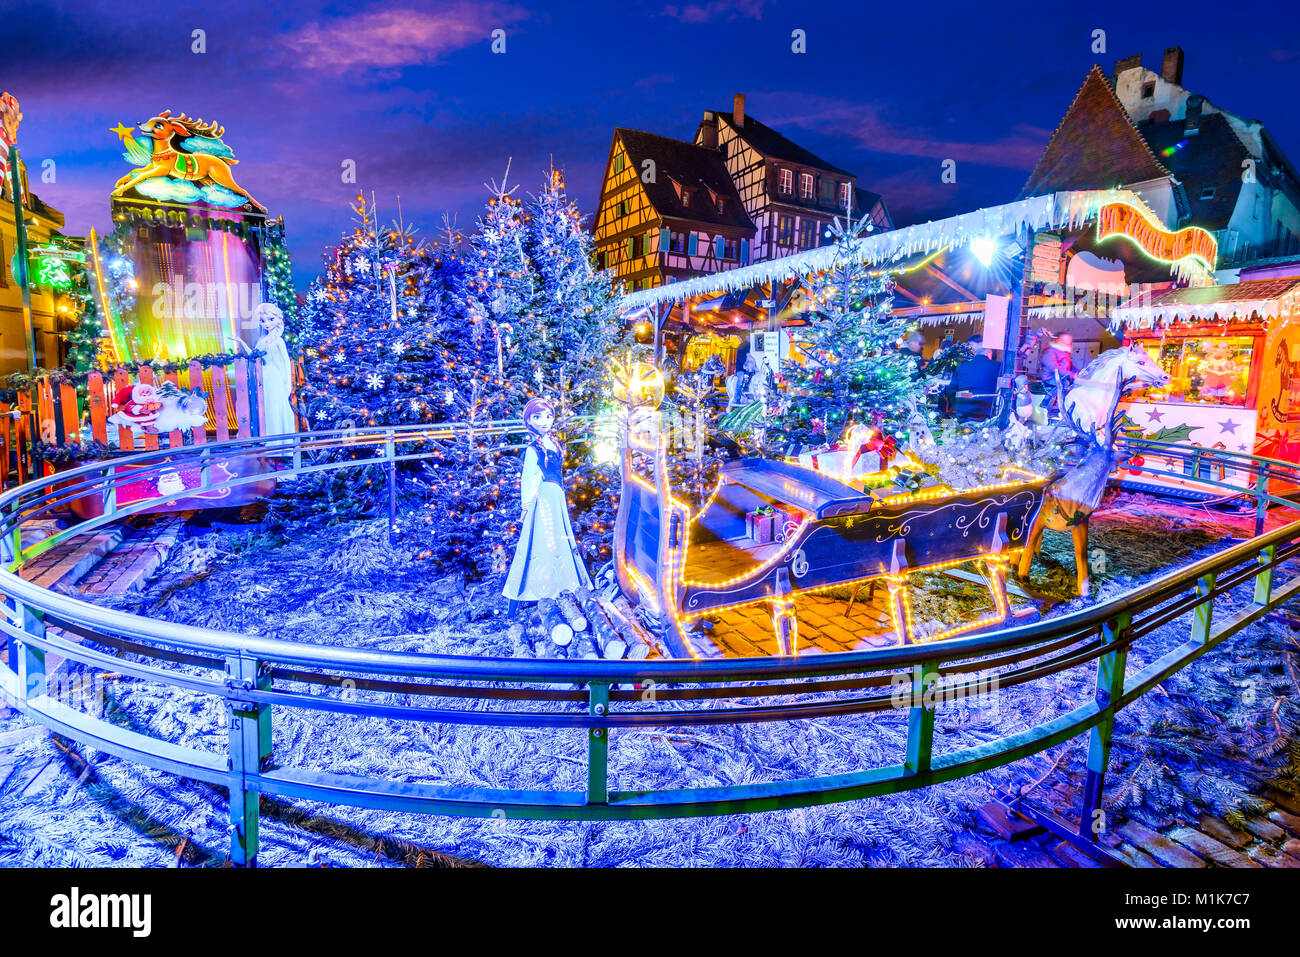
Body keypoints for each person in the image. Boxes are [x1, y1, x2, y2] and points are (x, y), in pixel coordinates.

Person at [503, 397, 592, 617]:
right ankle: (530, 590)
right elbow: (529, 477)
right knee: (539, 542)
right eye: (537, 417)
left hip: (556, 497)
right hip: (542, 498)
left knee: (559, 541)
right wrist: (526, 505)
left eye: (548, 416)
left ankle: (562, 585)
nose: (544, 421)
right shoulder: (533, 449)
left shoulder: (554, 445)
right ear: (529, 420)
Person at [251, 302, 297, 438]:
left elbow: (285, 363)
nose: (267, 324)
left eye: (270, 319)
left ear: (278, 319)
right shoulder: (262, 339)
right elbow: (253, 355)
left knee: (277, 408)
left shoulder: (278, 341)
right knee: (268, 409)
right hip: (263, 378)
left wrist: (287, 384)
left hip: (275, 378)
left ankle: (282, 442)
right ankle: (270, 440)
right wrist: (240, 343)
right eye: (262, 321)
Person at [943, 337, 1001, 420]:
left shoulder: (962, 366)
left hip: (964, 411)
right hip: (987, 411)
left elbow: (951, 389)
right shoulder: (997, 366)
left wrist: (957, 404)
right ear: (988, 351)